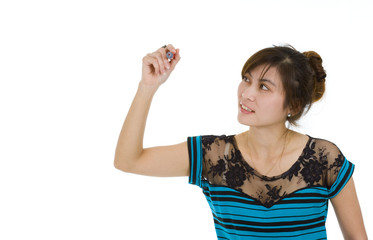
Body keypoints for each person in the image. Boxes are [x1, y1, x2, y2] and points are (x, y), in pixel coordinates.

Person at [114, 44, 367, 239]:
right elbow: (128, 160)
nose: (246, 93)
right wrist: (147, 87)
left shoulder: (325, 158)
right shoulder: (213, 155)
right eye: (246, 79)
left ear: (293, 105)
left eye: (264, 87)